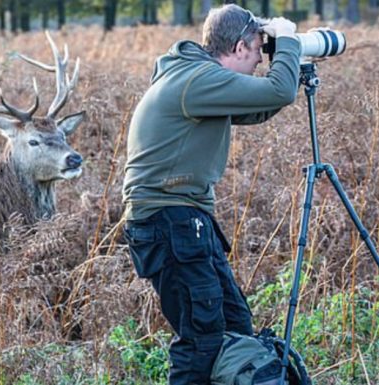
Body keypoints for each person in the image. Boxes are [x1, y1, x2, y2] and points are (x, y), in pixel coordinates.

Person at [121, 4, 301, 385]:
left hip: (182, 222)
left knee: (235, 327)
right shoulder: (196, 80)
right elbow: (278, 91)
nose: (258, 60)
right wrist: (286, 40)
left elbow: (262, 105)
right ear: (238, 48)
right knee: (202, 340)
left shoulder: (194, 77)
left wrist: (294, 61)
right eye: (257, 50)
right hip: (170, 222)